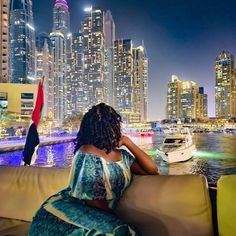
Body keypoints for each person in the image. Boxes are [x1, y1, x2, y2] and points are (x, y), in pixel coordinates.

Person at [29, 103, 159, 235]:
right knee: (123, 232)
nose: (115, 128)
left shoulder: (122, 156)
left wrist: (128, 142)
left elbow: (152, 169)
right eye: (112, 123)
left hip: (97, 214)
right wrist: (116, 219)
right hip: (71, 210)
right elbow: (93, 201)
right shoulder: (86, 152)